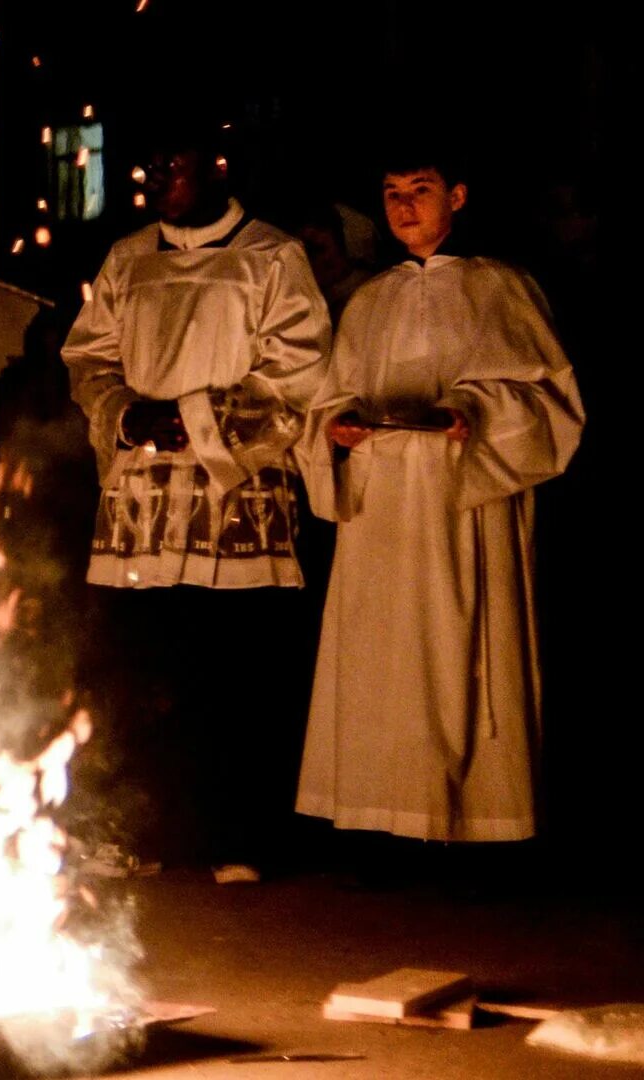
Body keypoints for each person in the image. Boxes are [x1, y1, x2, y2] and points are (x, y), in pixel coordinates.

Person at [63, 125, 332, 880]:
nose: (156, 181)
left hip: (232, 489)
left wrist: (199, 416)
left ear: (215, 169)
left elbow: (299, 369)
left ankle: (239, 836)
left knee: (235, 668)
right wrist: (123, 411)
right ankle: (155, 832)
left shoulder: (273, 257)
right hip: (144, 495)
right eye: (147, 168)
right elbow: (88, 357)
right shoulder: (126, 258)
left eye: (171, 166)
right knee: (151, 666)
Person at [295, 153, 583, 849]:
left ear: (456, 195)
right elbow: (329, 398)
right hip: (383, 507)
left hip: (466, 496)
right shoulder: (369, 300)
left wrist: (472, 412)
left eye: (420, 191)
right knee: (381, 659)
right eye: (391, 193)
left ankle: (475, 821)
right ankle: (380, 819)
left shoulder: (502, 287)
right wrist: (334, 430)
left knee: (466, 654)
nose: (404, 207)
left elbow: (554, 402)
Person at [295, 202, 373, 323]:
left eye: (318, 248)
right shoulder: (305, 298)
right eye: (305, 252)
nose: (313, 260)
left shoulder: (370, 290)